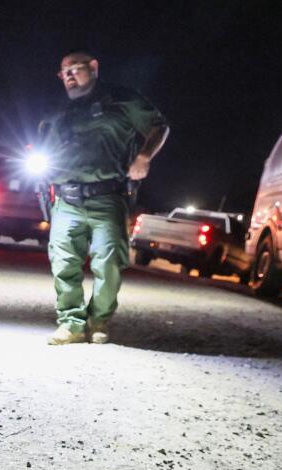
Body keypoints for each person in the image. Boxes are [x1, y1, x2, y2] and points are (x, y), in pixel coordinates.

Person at [42, 49, 168, 345]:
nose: (69, 75)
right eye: (64, 72)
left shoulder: (122, 99)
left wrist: (144, 156)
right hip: (65, 199)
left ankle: (98, 321)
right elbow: (40, 143)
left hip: (108, 197)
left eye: (76, 68)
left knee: (109, 264)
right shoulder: (55, 107)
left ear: (94, 67)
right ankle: (71, 323)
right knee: (63, 263)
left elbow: (160, 125)